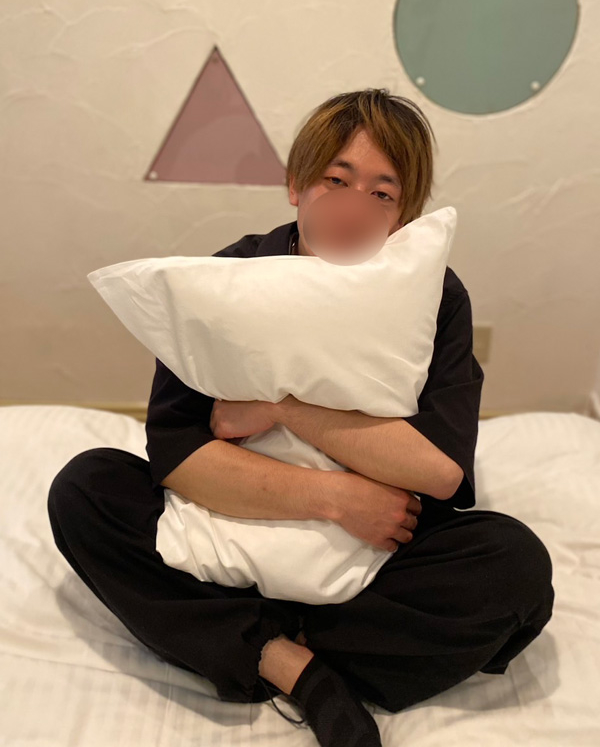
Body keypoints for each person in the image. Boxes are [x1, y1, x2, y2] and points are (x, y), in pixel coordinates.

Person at [47, 89, 554, 747]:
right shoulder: (231, 276)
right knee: (86, 489)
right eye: (336, 180)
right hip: (232, 534)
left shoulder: (437, 296)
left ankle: (248, 641)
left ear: (405, 214)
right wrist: (337, 499)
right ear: (296, 184)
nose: (354, 207)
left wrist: (284, 407)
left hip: (375, 561)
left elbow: (438, 473)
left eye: (382, 193)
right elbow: (177, 457)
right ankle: (299, 669)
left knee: (515, 570)